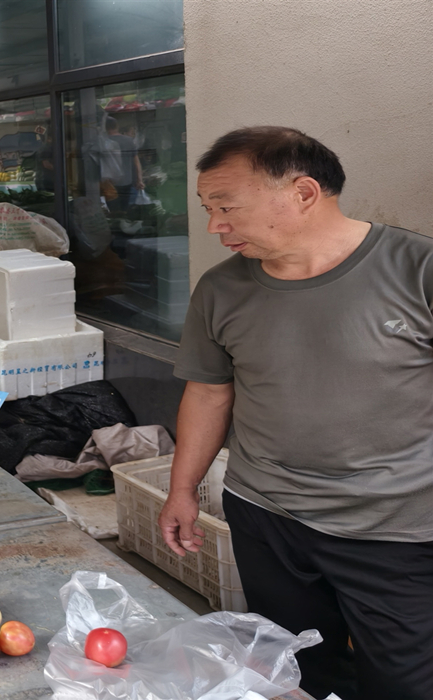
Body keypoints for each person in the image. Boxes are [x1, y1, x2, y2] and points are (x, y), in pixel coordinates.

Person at [158, 126, 433, 700]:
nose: (215, 226)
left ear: (304, 193)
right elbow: (209, 393)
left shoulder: (417, 269)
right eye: (209, 209)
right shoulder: (221, 289)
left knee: (405, 682)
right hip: (266, 515)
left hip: (395, 527)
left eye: (227, 206)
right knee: (295, 667)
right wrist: (182, 490)